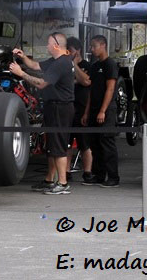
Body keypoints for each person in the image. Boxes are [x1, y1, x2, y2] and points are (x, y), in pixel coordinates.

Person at [10, 33, 75, 195]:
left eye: (48, 43)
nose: (46, 46)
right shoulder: (56, 61)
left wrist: (21, 74)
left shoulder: (61, 63)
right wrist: (23, 57)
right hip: (53, 106)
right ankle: (49, 180)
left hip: (61, 107)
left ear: (56, 45)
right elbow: (35, 66)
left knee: (58, 146)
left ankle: (63, 183)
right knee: (52, 146)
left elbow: (41, 84)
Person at [82, 35, 120, 187]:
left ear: (103, 45)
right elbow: (91, 91)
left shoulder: (110, 64)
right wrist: (87, 112)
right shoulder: (94, 66)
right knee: (95, 143)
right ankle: (99, 175)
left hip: (106, 110)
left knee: (106, 142)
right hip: (93, 109)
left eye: (94, 46)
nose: (92, 49)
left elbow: (110, 89)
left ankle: (113, 177)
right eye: (91, 47)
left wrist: (103, 111)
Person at [64, 37, 93, 183]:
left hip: (82, 108)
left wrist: (74, 64)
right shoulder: (64, 66)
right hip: (68, 107)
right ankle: (66, 171)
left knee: (84, 144)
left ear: (78, 50)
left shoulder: (86, 65)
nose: (69, 53)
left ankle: (87, 172)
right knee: (67, 143)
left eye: (71, 50)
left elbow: (86, 81)